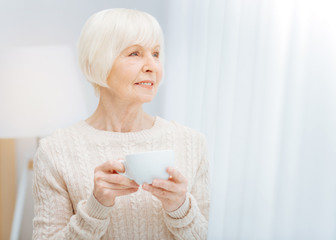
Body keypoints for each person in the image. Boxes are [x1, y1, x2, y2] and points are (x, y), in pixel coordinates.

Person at [32, 8, 210, 240]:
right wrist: (95, 208)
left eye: (156, 54)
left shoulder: (191, 143)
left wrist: (179, 207)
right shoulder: (54, 150)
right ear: (99, 60)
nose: (152, 66)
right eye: (135, 53)